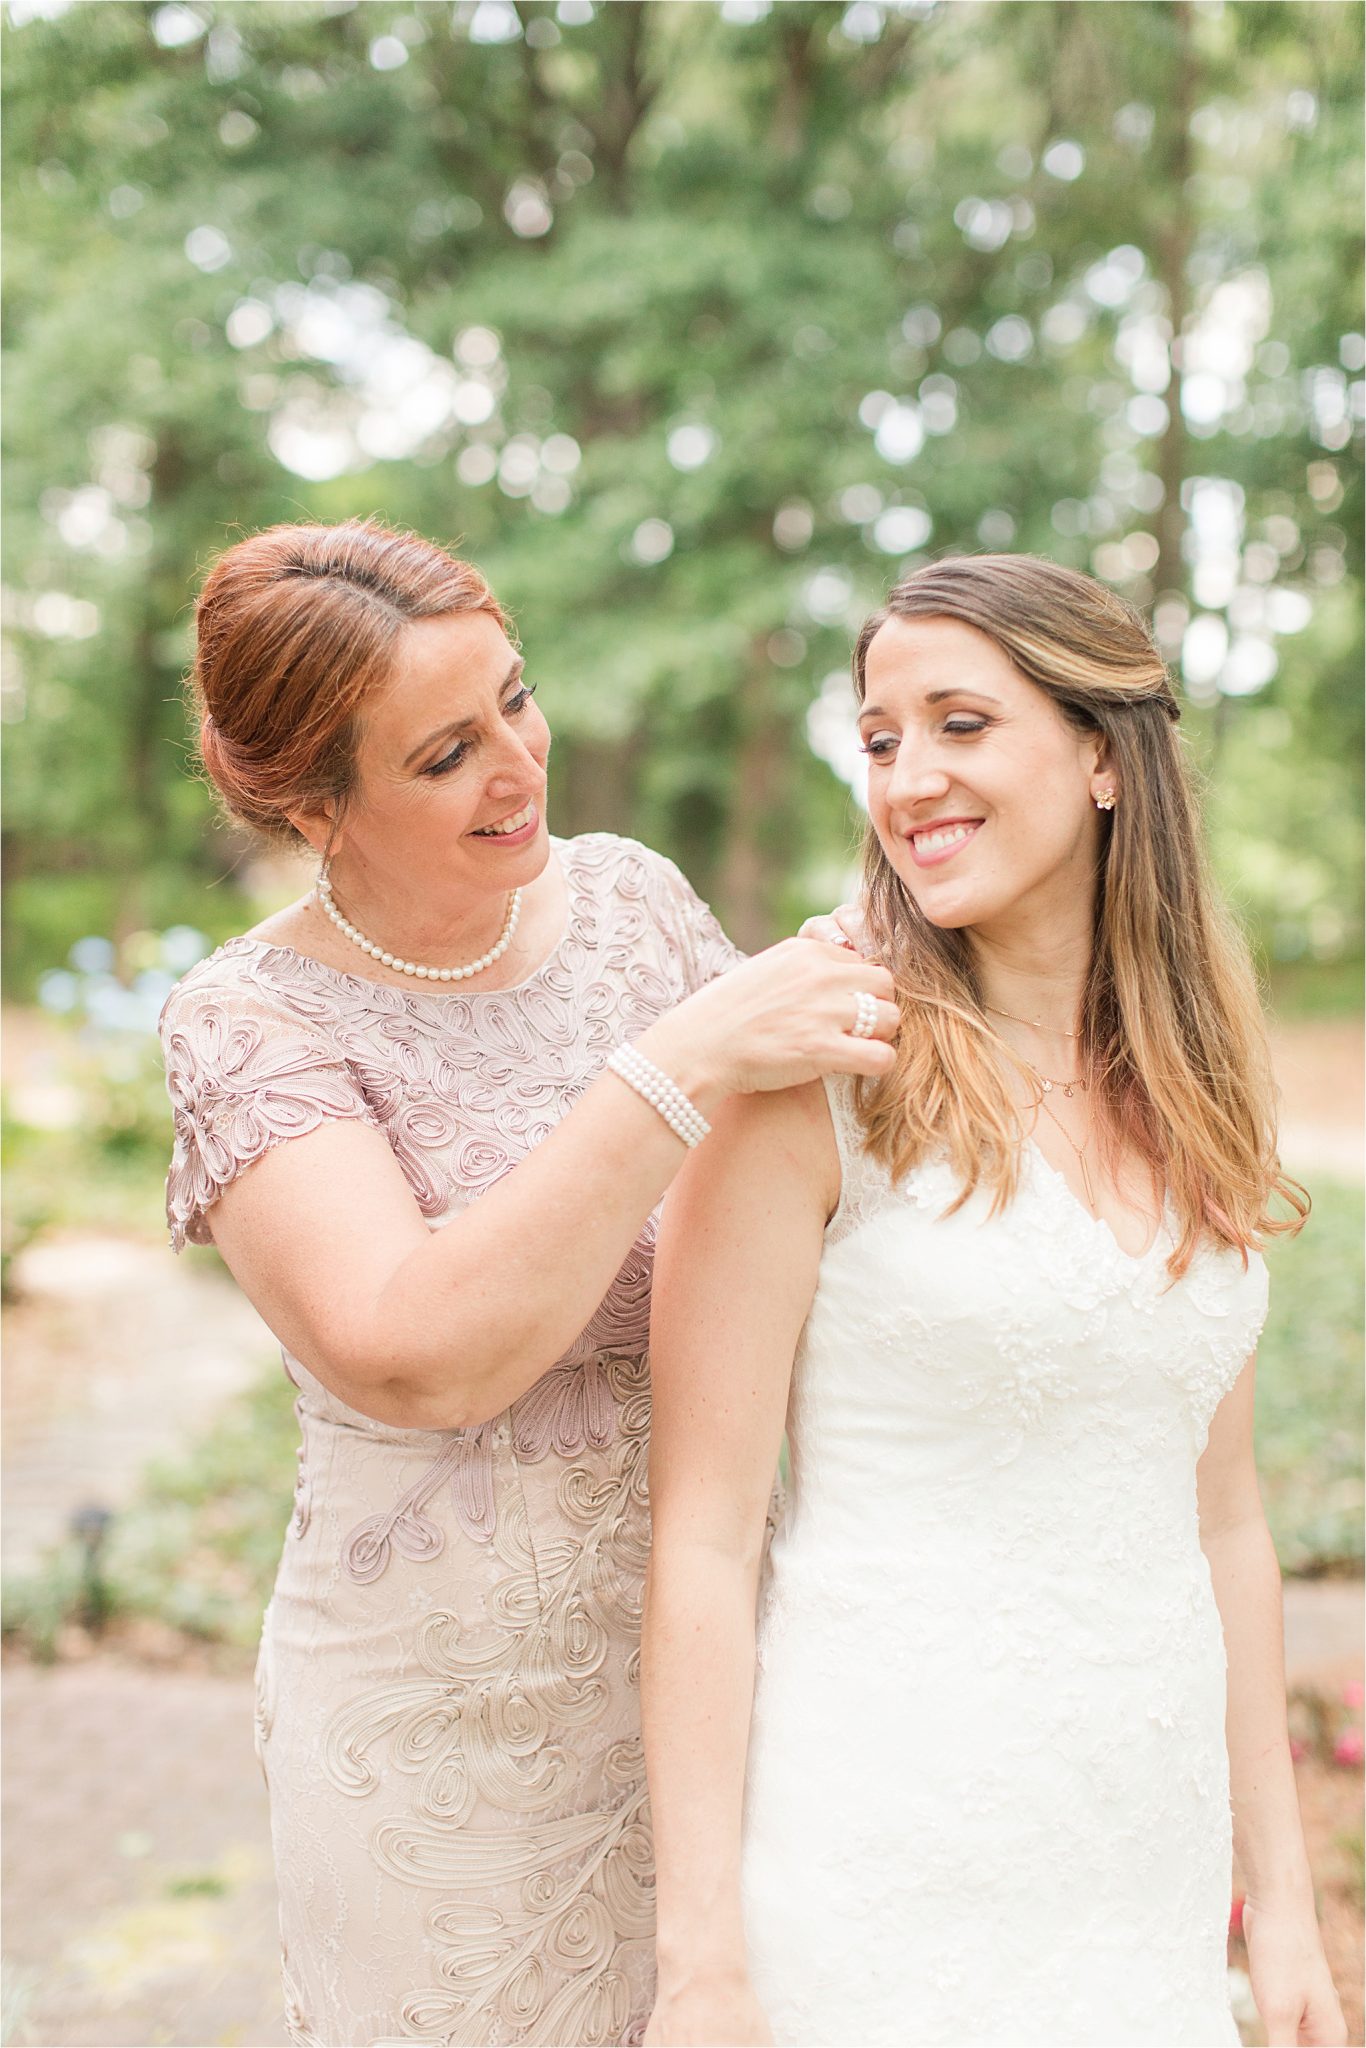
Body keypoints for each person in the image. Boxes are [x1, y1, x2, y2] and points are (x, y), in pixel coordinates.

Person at [158, 517, 897, 2048]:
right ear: (315, 804)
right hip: (443, 1741)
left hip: (727, 1677)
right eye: (443, 754)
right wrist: (675, 1062)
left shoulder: (628, 903)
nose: (517, 764)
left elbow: (808, 1214)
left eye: (517, 695)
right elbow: (412, 1352)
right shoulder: (248, 1022)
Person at [641, 554, 1347, 2048]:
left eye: (960, 723)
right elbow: (700, 1540)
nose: (907, 778)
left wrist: (1278, 1903)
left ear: (1102, 756)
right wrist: (698, 1963)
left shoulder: (1197, 1096)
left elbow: (1221, 1524)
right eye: (881, 736)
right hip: (886, 1856)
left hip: (1134, 1864)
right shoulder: (815, 1084)